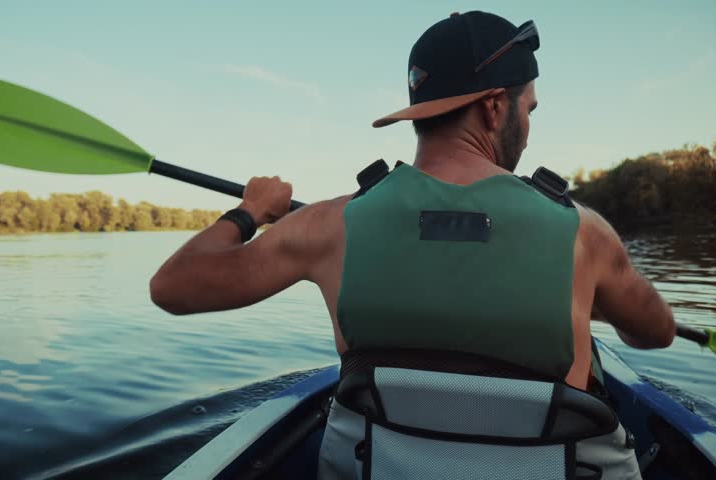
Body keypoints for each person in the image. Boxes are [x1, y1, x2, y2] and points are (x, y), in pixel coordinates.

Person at [150, 10, 675, 480]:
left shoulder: (329, 225)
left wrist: (251, 211)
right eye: (529, 109)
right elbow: (656, 332)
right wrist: (590, 303)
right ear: (495, 107)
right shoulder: (582, 233)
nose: (529, 125)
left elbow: (172, 287)